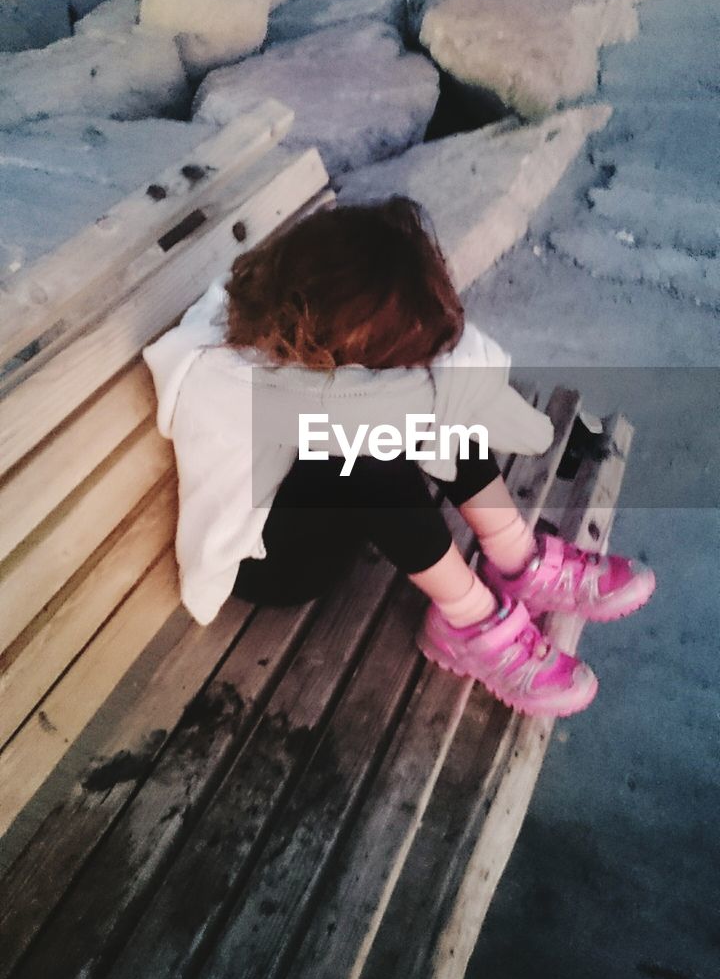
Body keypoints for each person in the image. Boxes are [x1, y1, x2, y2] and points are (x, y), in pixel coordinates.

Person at [143, 196, 655, 719]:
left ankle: (517, 560)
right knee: (375, 445)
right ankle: (466, 621)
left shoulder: (295, 319)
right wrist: (515, 424)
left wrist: (439, 375)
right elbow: (449, 401)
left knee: (426, 396)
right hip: (267, 562)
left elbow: (453, 366)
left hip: (313, 497)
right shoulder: (230, 381)